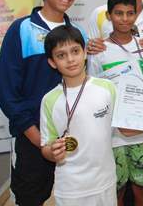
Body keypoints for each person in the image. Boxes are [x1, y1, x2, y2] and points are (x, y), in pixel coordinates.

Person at [0, 0, 85, 206]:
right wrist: (38, 138)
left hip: (72, 136)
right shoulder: (21, 30)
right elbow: (8, 93)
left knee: (74, 198)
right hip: (32, 138)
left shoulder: (79, 33)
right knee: (30, 198)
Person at [87, 0, 143, 206]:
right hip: (111, 135)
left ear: (136, 15)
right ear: (108, 15)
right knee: (116, 191)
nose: (125, 19)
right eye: (118, 13)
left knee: (142, 190)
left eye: (130, 13)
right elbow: (93, 92)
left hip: (142, 134)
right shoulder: (99, 50)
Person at [40, 25, 118, 205]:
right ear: (52, 62)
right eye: (61, 55)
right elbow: (46, 145)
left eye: (75, 51)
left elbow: (128, 127)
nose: (70, 59)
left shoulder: (107, 88)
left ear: (84, 52)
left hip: (105, 182)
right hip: (70, 188)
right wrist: (53, 152)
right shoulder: (49, 100)